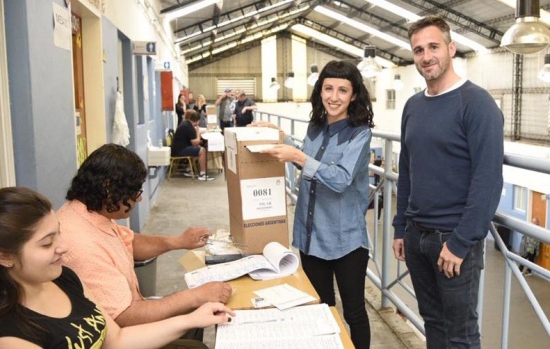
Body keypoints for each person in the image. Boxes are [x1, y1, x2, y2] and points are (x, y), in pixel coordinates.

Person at [0, 187, 234, 349]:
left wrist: (193, 318)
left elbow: (116, 340)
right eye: (47, 243)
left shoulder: (66, 280)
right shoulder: (8, 336)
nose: (62, 247)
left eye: (58, 234)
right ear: (5, 257)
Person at [391, 15, 504, 349]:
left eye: (433, 47)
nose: (426, 56)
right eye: (418, 50)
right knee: (434, 325)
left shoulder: (477, 104)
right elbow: (407, 168)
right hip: (417, 238)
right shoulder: (413, 106)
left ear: (451, 48)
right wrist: (400, 227)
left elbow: (488, 181)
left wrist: (460, 242)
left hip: (453, 241)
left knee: (461, 335)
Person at [253, 60, 374, 348]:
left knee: (354, 311)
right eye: (328, 88)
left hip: (346, 240)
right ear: (320, 91)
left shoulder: (360, 133)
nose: (334, 97)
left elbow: (341, 178)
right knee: (321, 307)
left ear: (354, 95)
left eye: (343, 90)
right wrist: (278, 134)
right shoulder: (316, 126)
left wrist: (298, 157)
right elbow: (306, 151)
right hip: (311, 237)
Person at [57, 144, 228, 332]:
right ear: (108, 187)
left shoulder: (88, 212)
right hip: (122, 332)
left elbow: (129, 242)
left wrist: (178, 241)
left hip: (130, 315)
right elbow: (125, 316)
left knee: (194, 314)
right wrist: (195, 296)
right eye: (134, 192)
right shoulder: (81, 243)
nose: (138, 199)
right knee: (195, 322)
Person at [172, 110, 214, 181]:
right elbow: (195, 143)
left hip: (177, 149)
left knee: (198, 148)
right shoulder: (189, 127)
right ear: (197, 121)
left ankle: (189, 169)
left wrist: (200, 132)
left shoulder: (186, 123)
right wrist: (198, 133)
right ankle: (202, 174)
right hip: (180, 151)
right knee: (202, 150)